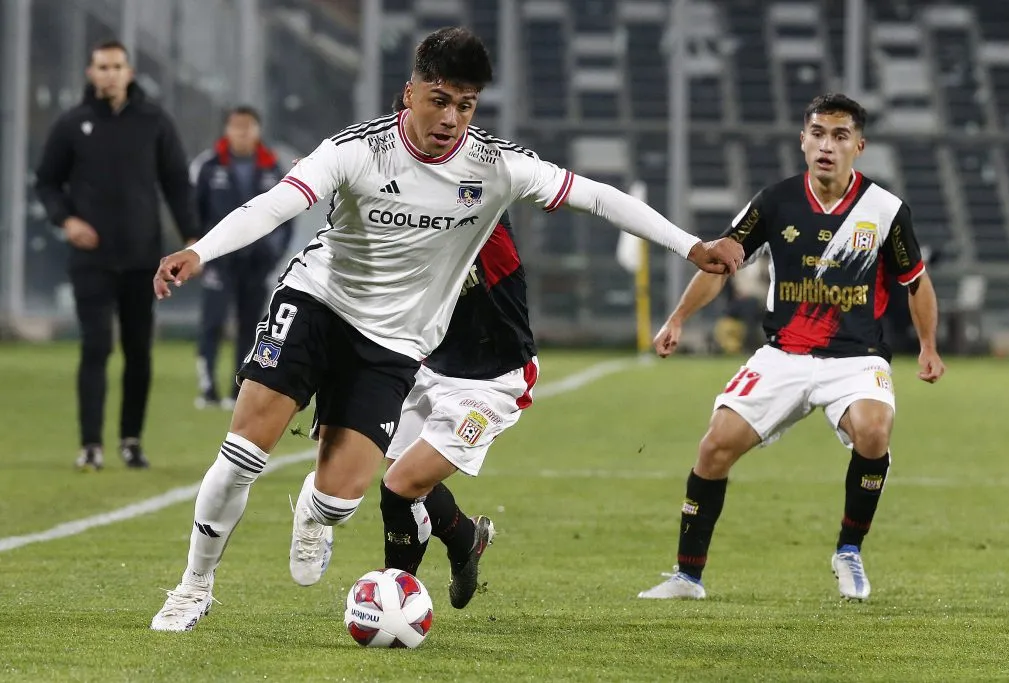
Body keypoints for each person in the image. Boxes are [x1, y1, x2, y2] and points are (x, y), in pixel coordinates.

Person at [149, 26, 744, 632]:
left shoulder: (495, 166)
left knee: (340, 500)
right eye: (439, 99)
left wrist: (689, 245)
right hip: (318, 301)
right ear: (409, 95)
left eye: (465, 104)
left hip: (395, 342)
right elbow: (278, 202)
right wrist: (202, 250)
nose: (452, 117)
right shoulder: (357, 150)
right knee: (244, 451)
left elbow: (598, 197)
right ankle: (193, 587)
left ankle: (314, 508)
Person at [638, 93, 945, 602]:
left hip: (856, 358)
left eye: (840, 136)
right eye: (818, 133)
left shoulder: (885, 210)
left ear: (859, 146)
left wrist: (929, 346)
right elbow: (721, 261)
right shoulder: (774, 201)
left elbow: (916, 281)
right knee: (714, 447)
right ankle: (687, 577)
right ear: (803, 140)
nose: (827, 145)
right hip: (783, 355)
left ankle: (849, 550)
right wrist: (678, 318)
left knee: (874, 430)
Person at [289, 209, 530, 612]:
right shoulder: (403, 226)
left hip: (492, 381)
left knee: (399, 485)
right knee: (405, 479)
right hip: (428, 367)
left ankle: (393, 603)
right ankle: (465, 539)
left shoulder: (485, 216)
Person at [35, 39, 199, 471]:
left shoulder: (155, 122)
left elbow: (177, 186)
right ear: (91, 73)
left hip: (142, 259)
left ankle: (131, 440)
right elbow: (47, 182)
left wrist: (194, 244)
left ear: (129, 72)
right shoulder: (73, 124)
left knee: (138, 350)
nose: (110, 74)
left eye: (117, 66)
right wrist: (66, 221)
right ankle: (91, 444)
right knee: (96, 346)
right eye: (102, 67)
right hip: (91, 260)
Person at [190, 106, 294, 410]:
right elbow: (193, 211)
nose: (242, 133)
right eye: (236, 127)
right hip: (219, 261)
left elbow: (287, 215)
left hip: (257, 262)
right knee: (213, 322)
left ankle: (239, 388)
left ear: (258, 130)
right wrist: (197, 249)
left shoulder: (273, 167)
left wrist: (274, 252)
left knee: (252, 325)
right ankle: (207, 387)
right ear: (226, 130)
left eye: (248, 127)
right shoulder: (208, 166)